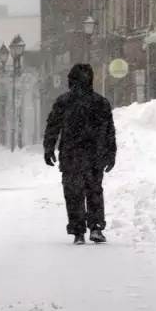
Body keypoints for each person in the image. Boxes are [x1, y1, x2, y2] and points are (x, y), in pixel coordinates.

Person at [43, 63, 117, 245]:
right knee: (94, 191)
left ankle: (78, 232)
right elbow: (109, 132)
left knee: (73, 193)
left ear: (71, 80)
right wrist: (110, 154)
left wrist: (49, 148)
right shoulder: (100, 102)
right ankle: (96, 227)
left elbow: (53, 126)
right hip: (95, 154)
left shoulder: (64, 101)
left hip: (71, 154)